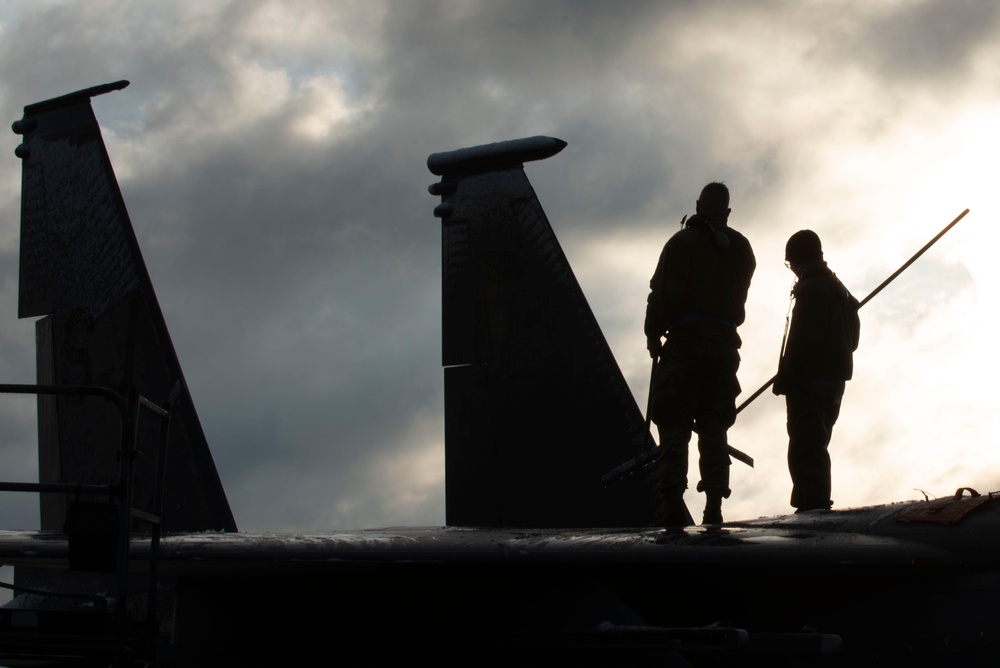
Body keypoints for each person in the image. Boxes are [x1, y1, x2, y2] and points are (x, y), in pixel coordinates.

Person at [644, 182, 755, 526]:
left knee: (675, 422)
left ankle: (673, 501)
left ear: (697, 205)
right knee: (714, 426)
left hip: (686, 343)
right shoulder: (742, 248)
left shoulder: (681, 243)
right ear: (728, 212)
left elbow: (660, 294)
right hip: (724, 347)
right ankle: (714, 506)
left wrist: (653, 335)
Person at [773, 230, 860, 512]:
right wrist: (841, 350)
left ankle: (813, 506)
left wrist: (785, 376)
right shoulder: (838, 287)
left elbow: (803, 340)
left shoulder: (812, 288)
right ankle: (809, 500)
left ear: (798, 259)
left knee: (806, 446)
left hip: (809, 382)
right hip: (835, 381)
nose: (793, 270)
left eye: (790, 263)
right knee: (817, 442)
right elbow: (853, 335)